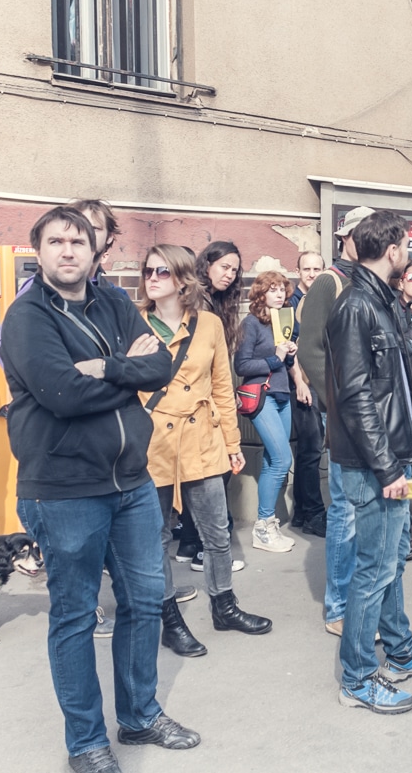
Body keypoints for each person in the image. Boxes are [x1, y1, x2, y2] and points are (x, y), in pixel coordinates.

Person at [0, 206, 196, 772]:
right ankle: (86, 743)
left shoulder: (114, 302)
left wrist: (101, 368)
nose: (68, 251)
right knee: (75, 617)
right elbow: (62, 395)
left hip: (131, 482)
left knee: (143, 603)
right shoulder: (27, 317)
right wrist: (122, 371)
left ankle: (139, 715)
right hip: (64, 490)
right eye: (56, 241)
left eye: (78, 242)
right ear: (39, 250)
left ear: (94, 251)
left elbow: (160, 368)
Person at [327, 210, 412, 713]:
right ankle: (357, 678)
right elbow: (356, 395)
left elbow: (389, 388)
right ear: (394, 248)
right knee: (373, 570)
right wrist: (388, 469)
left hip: (390, 457)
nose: (408, 254)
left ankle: (399, 651)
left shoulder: (379, 300)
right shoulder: (357, 305)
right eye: (405, 245)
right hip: (373, 464)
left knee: (390, 563)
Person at [138, 244, 270, 658]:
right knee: (156, 538)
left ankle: (224, 606)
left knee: (216, 532)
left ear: (182, 279)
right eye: (147, 271)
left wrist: (232, 443)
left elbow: (222, 389)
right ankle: (170, 620)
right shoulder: (134, 324)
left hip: (203, 438)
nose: (152, 278)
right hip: (153, 444)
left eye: (162, 271)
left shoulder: (209, 323)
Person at [299, 207, 370, 635]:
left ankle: (363, 605)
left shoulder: (371, 280)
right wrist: (339, 406)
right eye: (360, 233)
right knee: (345, 512)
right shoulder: (331, 280)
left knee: (368, 515)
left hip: (371, 416)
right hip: (346, 416)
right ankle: (339, 609)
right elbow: (310, 350)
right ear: (344, 238)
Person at [171, 241, 248, 568]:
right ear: (207, 265)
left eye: (234, 270)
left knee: (198, 473)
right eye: (224, 267)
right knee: (214, 474)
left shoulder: (215, 302)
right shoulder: (197, 302)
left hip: (204, 400)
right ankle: (206, 551)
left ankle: (189, 544)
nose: (229, 275)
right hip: (196, 403)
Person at [235, 270, 300, 553]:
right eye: (272, 289)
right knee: (283, 459)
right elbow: (242, 365)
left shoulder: (283, 320)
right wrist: (276, 358)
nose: (279, 294)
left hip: (282, 395)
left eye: (282, 289)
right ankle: (263, 526)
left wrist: (290, 355)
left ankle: (267, 526)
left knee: (273, 459)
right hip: (262, 398)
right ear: (260, 294)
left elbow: (284, 363)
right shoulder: (250, 323)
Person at [284, 251, 329, 538]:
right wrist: (299, 382)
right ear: (297, 271)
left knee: (309, 450)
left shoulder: (322, 299)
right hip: (302, 383)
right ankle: (314, 513)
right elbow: (287, 347)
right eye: (307, 269)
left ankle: (302, 512)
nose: (311, 274)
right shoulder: (290, 304)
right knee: (311, 449)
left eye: (316, 269)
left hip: (320, 382)